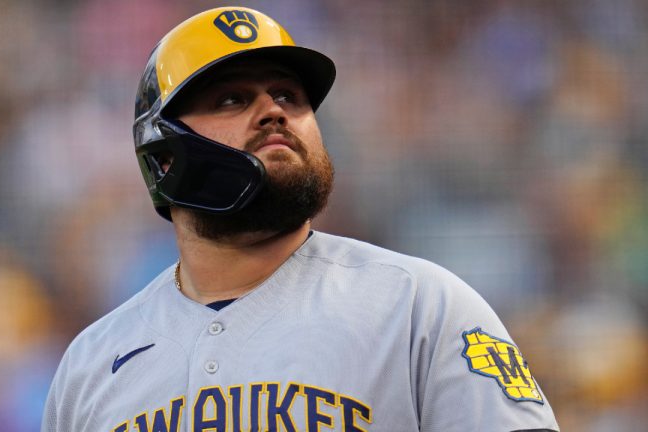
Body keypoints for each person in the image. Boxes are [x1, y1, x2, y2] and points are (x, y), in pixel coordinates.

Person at [42, 7, 559, 432]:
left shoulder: (419, 307)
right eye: (232, 98)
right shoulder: (92, 365)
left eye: (288, 96)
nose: (274, 111)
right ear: (164, 157)